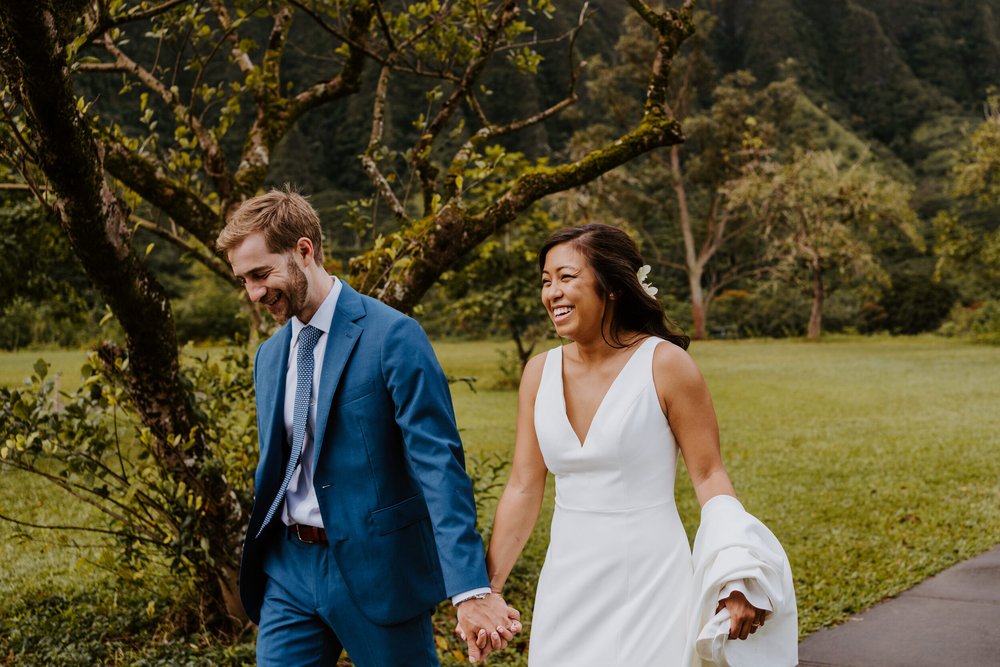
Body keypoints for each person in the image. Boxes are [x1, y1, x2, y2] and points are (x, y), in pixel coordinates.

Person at [216, 188, 519, 666]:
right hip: (288, 572)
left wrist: (470, 588)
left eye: (261, 274)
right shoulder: (270, 356)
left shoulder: (393, 336)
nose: (254, 293)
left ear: (304, 250)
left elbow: (439, 465)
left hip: (378, 570)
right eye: (244, 280)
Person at [481, 223, 797, 666]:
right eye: (546, 281)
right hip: (566, 580)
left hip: (650, 580)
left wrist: (737, 572)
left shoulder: (666, 364)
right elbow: (522, 486)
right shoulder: (538, 372)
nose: (552, 292)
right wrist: (487, 591)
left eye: (566, 277)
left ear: (610, 287)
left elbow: (709, 475)